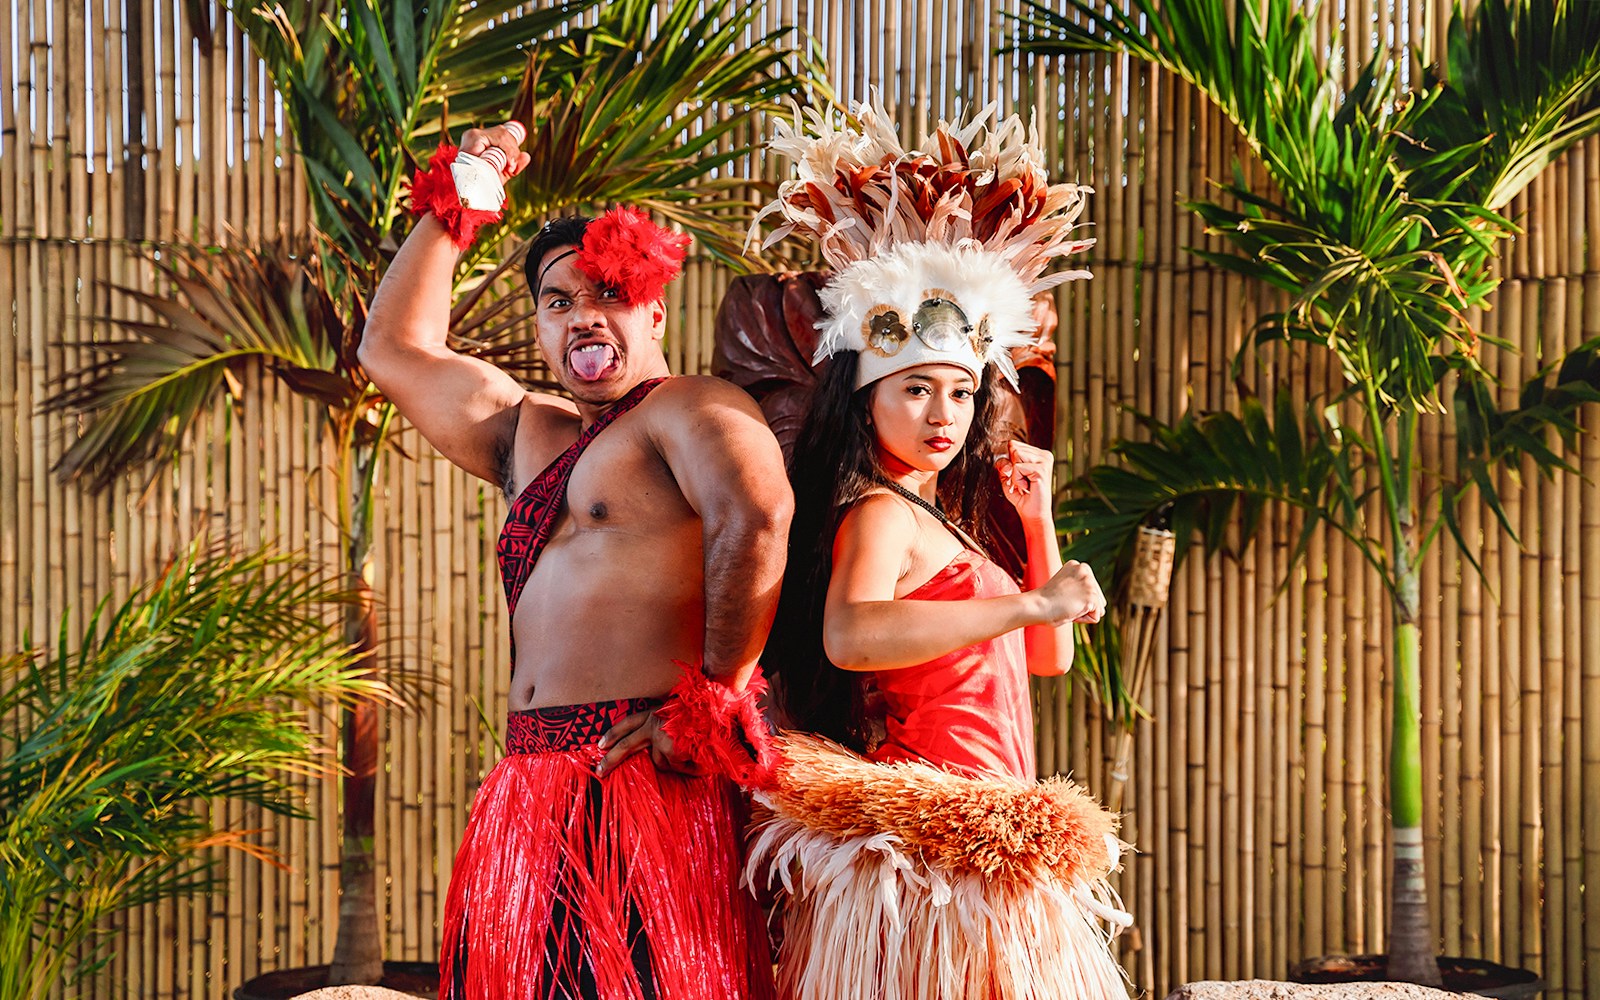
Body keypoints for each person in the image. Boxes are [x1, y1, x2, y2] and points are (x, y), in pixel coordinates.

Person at [361, 121, 788, 1000]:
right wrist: (464, 192)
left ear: (654, 311)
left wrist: (712, 702)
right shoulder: (533, 433)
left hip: (638, 779)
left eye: (608, 292)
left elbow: (759, 514)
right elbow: (392, 353)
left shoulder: (688, 408)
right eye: (559, 301)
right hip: (528, 787)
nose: (583, 314)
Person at [745, 99, 1132, 1000]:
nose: (942, 415)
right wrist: (1030, 600)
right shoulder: (876, 514)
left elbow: (1048, 659)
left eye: (960, 393)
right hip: (934, 833)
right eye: (915, 389)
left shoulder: (950, 525)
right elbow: (851, 636)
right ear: (867, 399)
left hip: (995, 818)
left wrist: (1037, 530)